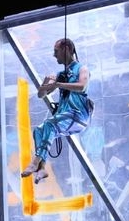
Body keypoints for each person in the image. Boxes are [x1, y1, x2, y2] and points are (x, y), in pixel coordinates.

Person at [21, 38, 93, 183]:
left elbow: (82, 87)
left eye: (56, 51)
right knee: (38, 131)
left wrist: (58, 84)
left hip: (77, 115)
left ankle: (35, 162)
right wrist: (46, 83)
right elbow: (41, 95)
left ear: (66, 49)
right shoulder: (60, 74)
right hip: (65, 118)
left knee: (49, 125)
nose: (54, 55)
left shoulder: (82, 69)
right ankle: (42, 168)